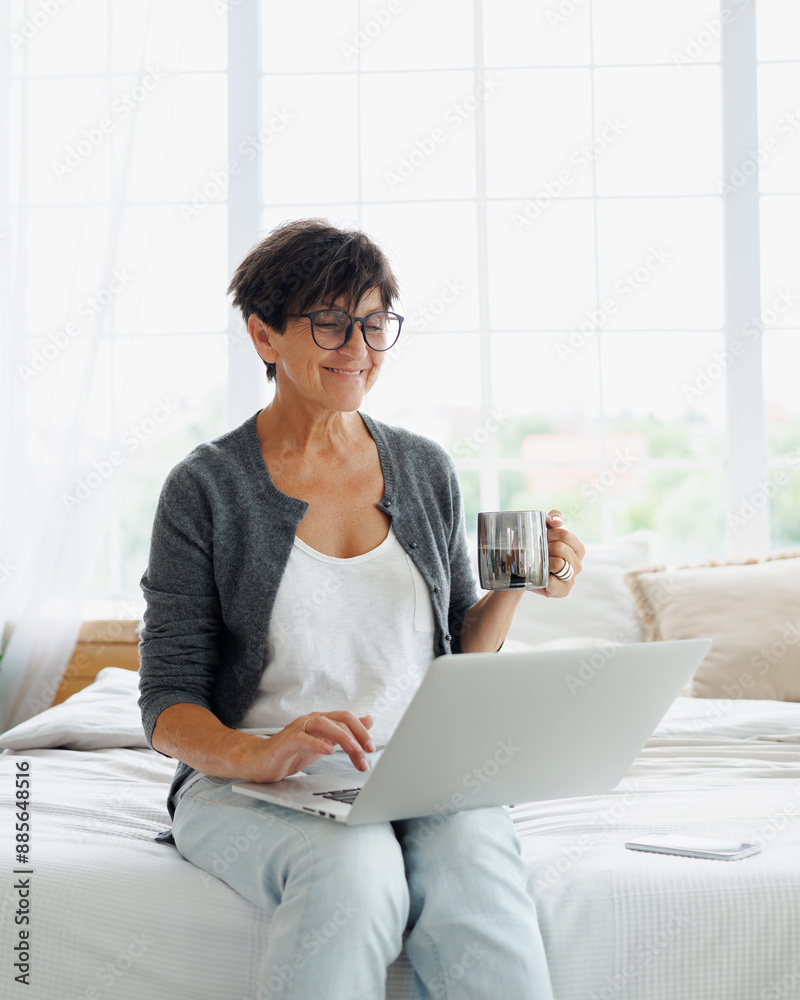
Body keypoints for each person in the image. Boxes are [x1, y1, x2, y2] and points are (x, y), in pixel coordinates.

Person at [138, 218, 585, 999]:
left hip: (415, 770)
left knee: (475, 869)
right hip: (252, 783)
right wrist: (258, 753)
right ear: (263, 336)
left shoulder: (422, 468)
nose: (360, 346)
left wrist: (516, 584)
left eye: (376, 323)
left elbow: (457, 660)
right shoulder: (205, 488)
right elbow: (166, 701)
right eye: (331, 322)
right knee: (355, 870)